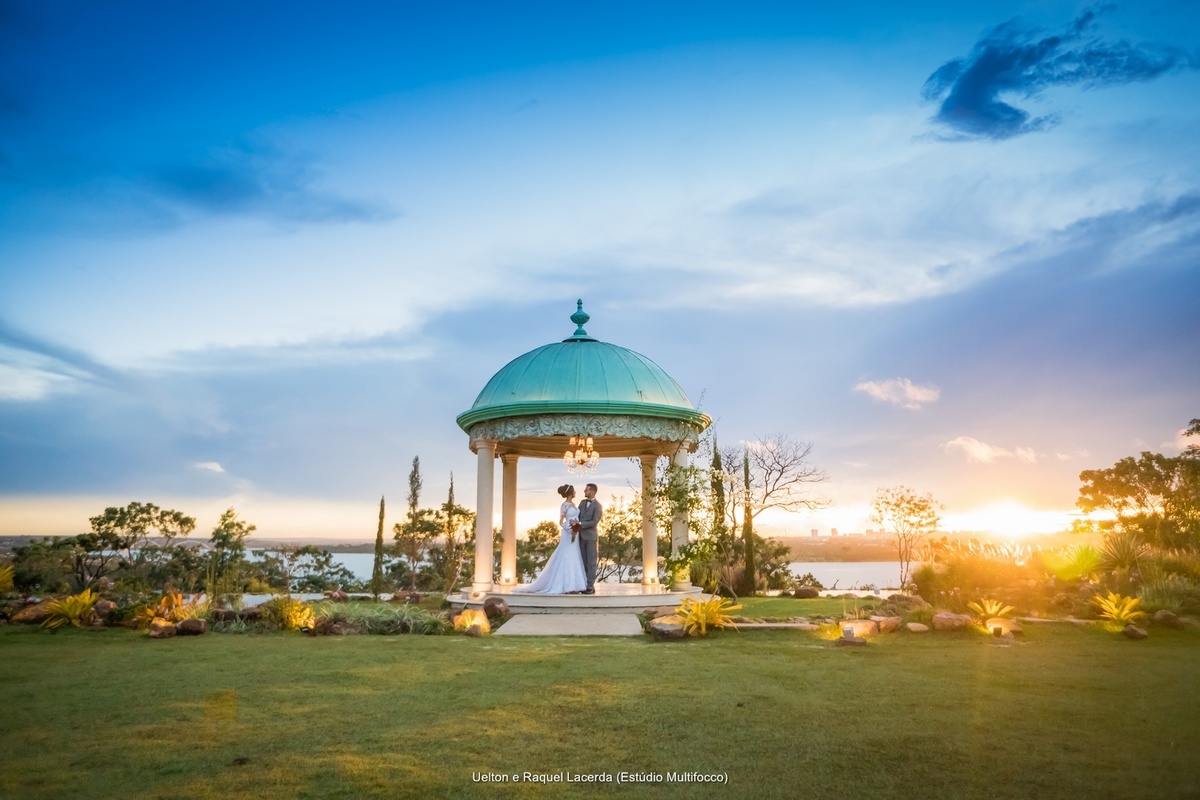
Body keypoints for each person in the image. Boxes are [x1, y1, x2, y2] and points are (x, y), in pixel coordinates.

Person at [513, 484, 587, 595]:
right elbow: (561, 521)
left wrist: (576, 526)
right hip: (568, 533)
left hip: (575, 534)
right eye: (574, 491)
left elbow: (576, 518)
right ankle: (564, 584)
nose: (576, 492)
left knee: (574, 555)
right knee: (566, 556)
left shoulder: (574, 504)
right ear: (571, 493)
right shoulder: (565, 505)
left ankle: (575, 585)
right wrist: (569, 528)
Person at [576, 482, 603, 594]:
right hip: (580, 537)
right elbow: (576, 515)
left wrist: (581, 524)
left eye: (586, 490)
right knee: (583, 561)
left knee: (591, 562)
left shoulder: (598, 506)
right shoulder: (582, 503)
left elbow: (594, 521)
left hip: (591, 537)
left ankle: (590, 586)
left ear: (592, 491)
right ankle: (584, 584)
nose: (584, 491)